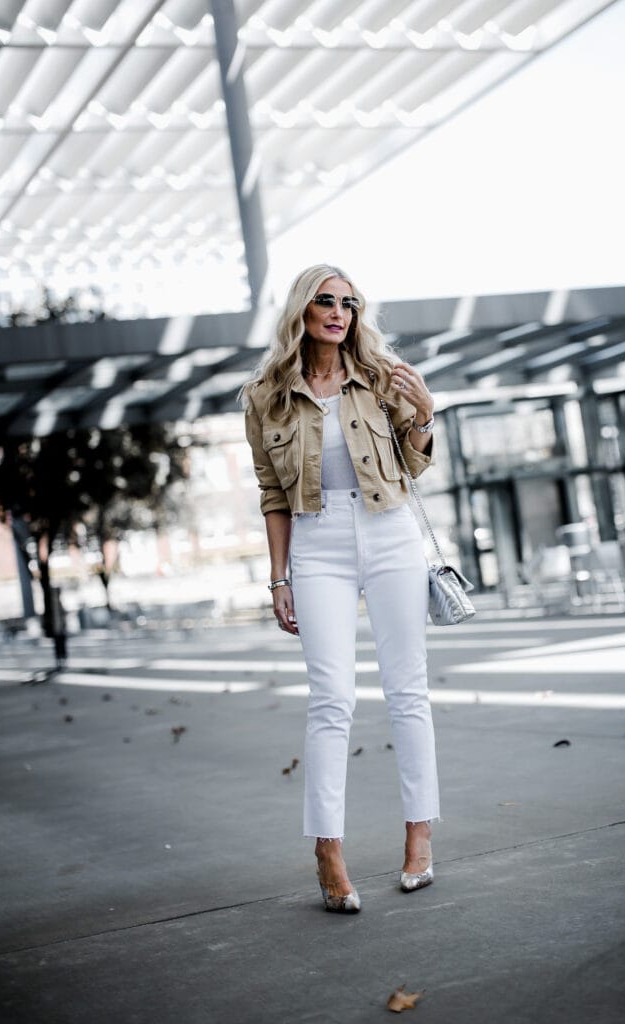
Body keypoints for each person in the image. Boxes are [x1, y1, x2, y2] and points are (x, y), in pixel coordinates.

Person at [244, 264, 440, 914]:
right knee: (331, 699)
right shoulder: (265, 396)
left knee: (407, 689)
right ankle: (327, 849)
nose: (338, 312)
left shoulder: (381, 375)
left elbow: (414, 462)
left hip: (389, 532)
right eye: (325, 301)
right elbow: (272, 494)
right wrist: (279, 577)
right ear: (302, 309)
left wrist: (424, 415)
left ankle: (419, 835)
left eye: (348, 303)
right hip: (316, 540)